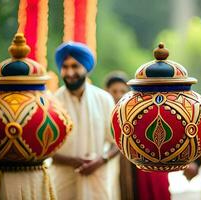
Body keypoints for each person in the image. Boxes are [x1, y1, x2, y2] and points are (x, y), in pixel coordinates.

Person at [50, 41, 119, 200]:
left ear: (86, 68)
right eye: (65, 66)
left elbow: (118, 142)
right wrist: (71, 161)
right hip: (62, 181)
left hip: (96, 179)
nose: (69, 72)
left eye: (75, 66)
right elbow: (44, 150)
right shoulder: (52, 102)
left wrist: (101, 160)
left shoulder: (104, 99)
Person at [105, 73, 171, 200]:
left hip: (139, 167)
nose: (118, 95)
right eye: (114, 91)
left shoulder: (138, 113)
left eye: (122, 91)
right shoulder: (102, 113)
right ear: (106, 92)